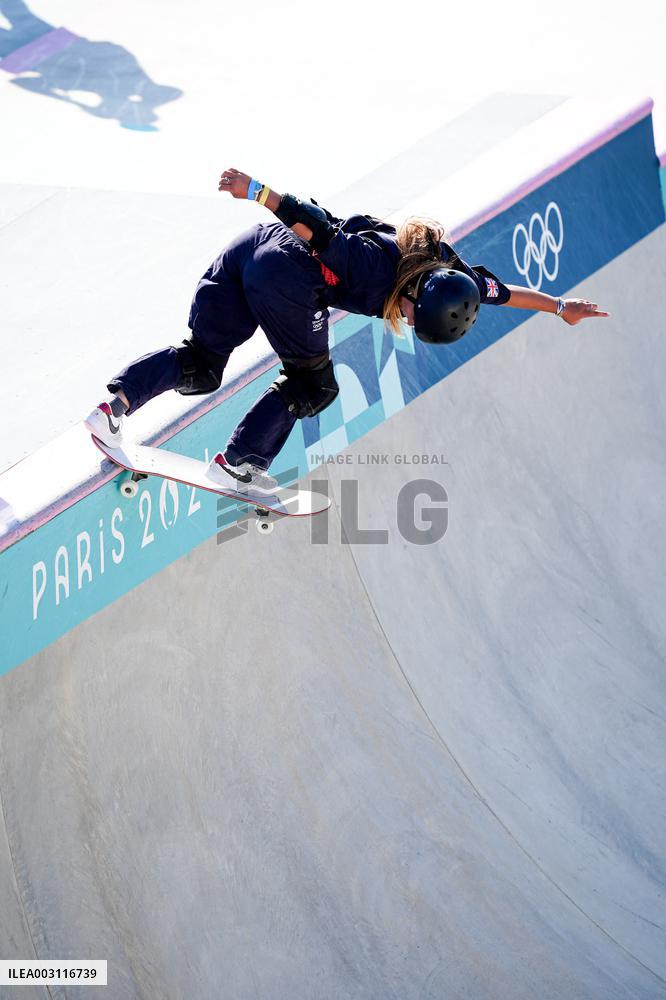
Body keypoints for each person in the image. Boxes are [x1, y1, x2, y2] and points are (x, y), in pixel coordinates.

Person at [85, 168, 609, 493]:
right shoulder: (375, 264)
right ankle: (239, 462)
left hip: (247, 249)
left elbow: (508, 294)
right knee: (314, 385)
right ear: (411, 289)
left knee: (199, 364)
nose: (402, 318)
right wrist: (257, 189)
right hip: (285, 268)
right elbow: (317, 228)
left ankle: (114, 408)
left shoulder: (457, 277)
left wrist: (559, 306)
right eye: (407, 312)